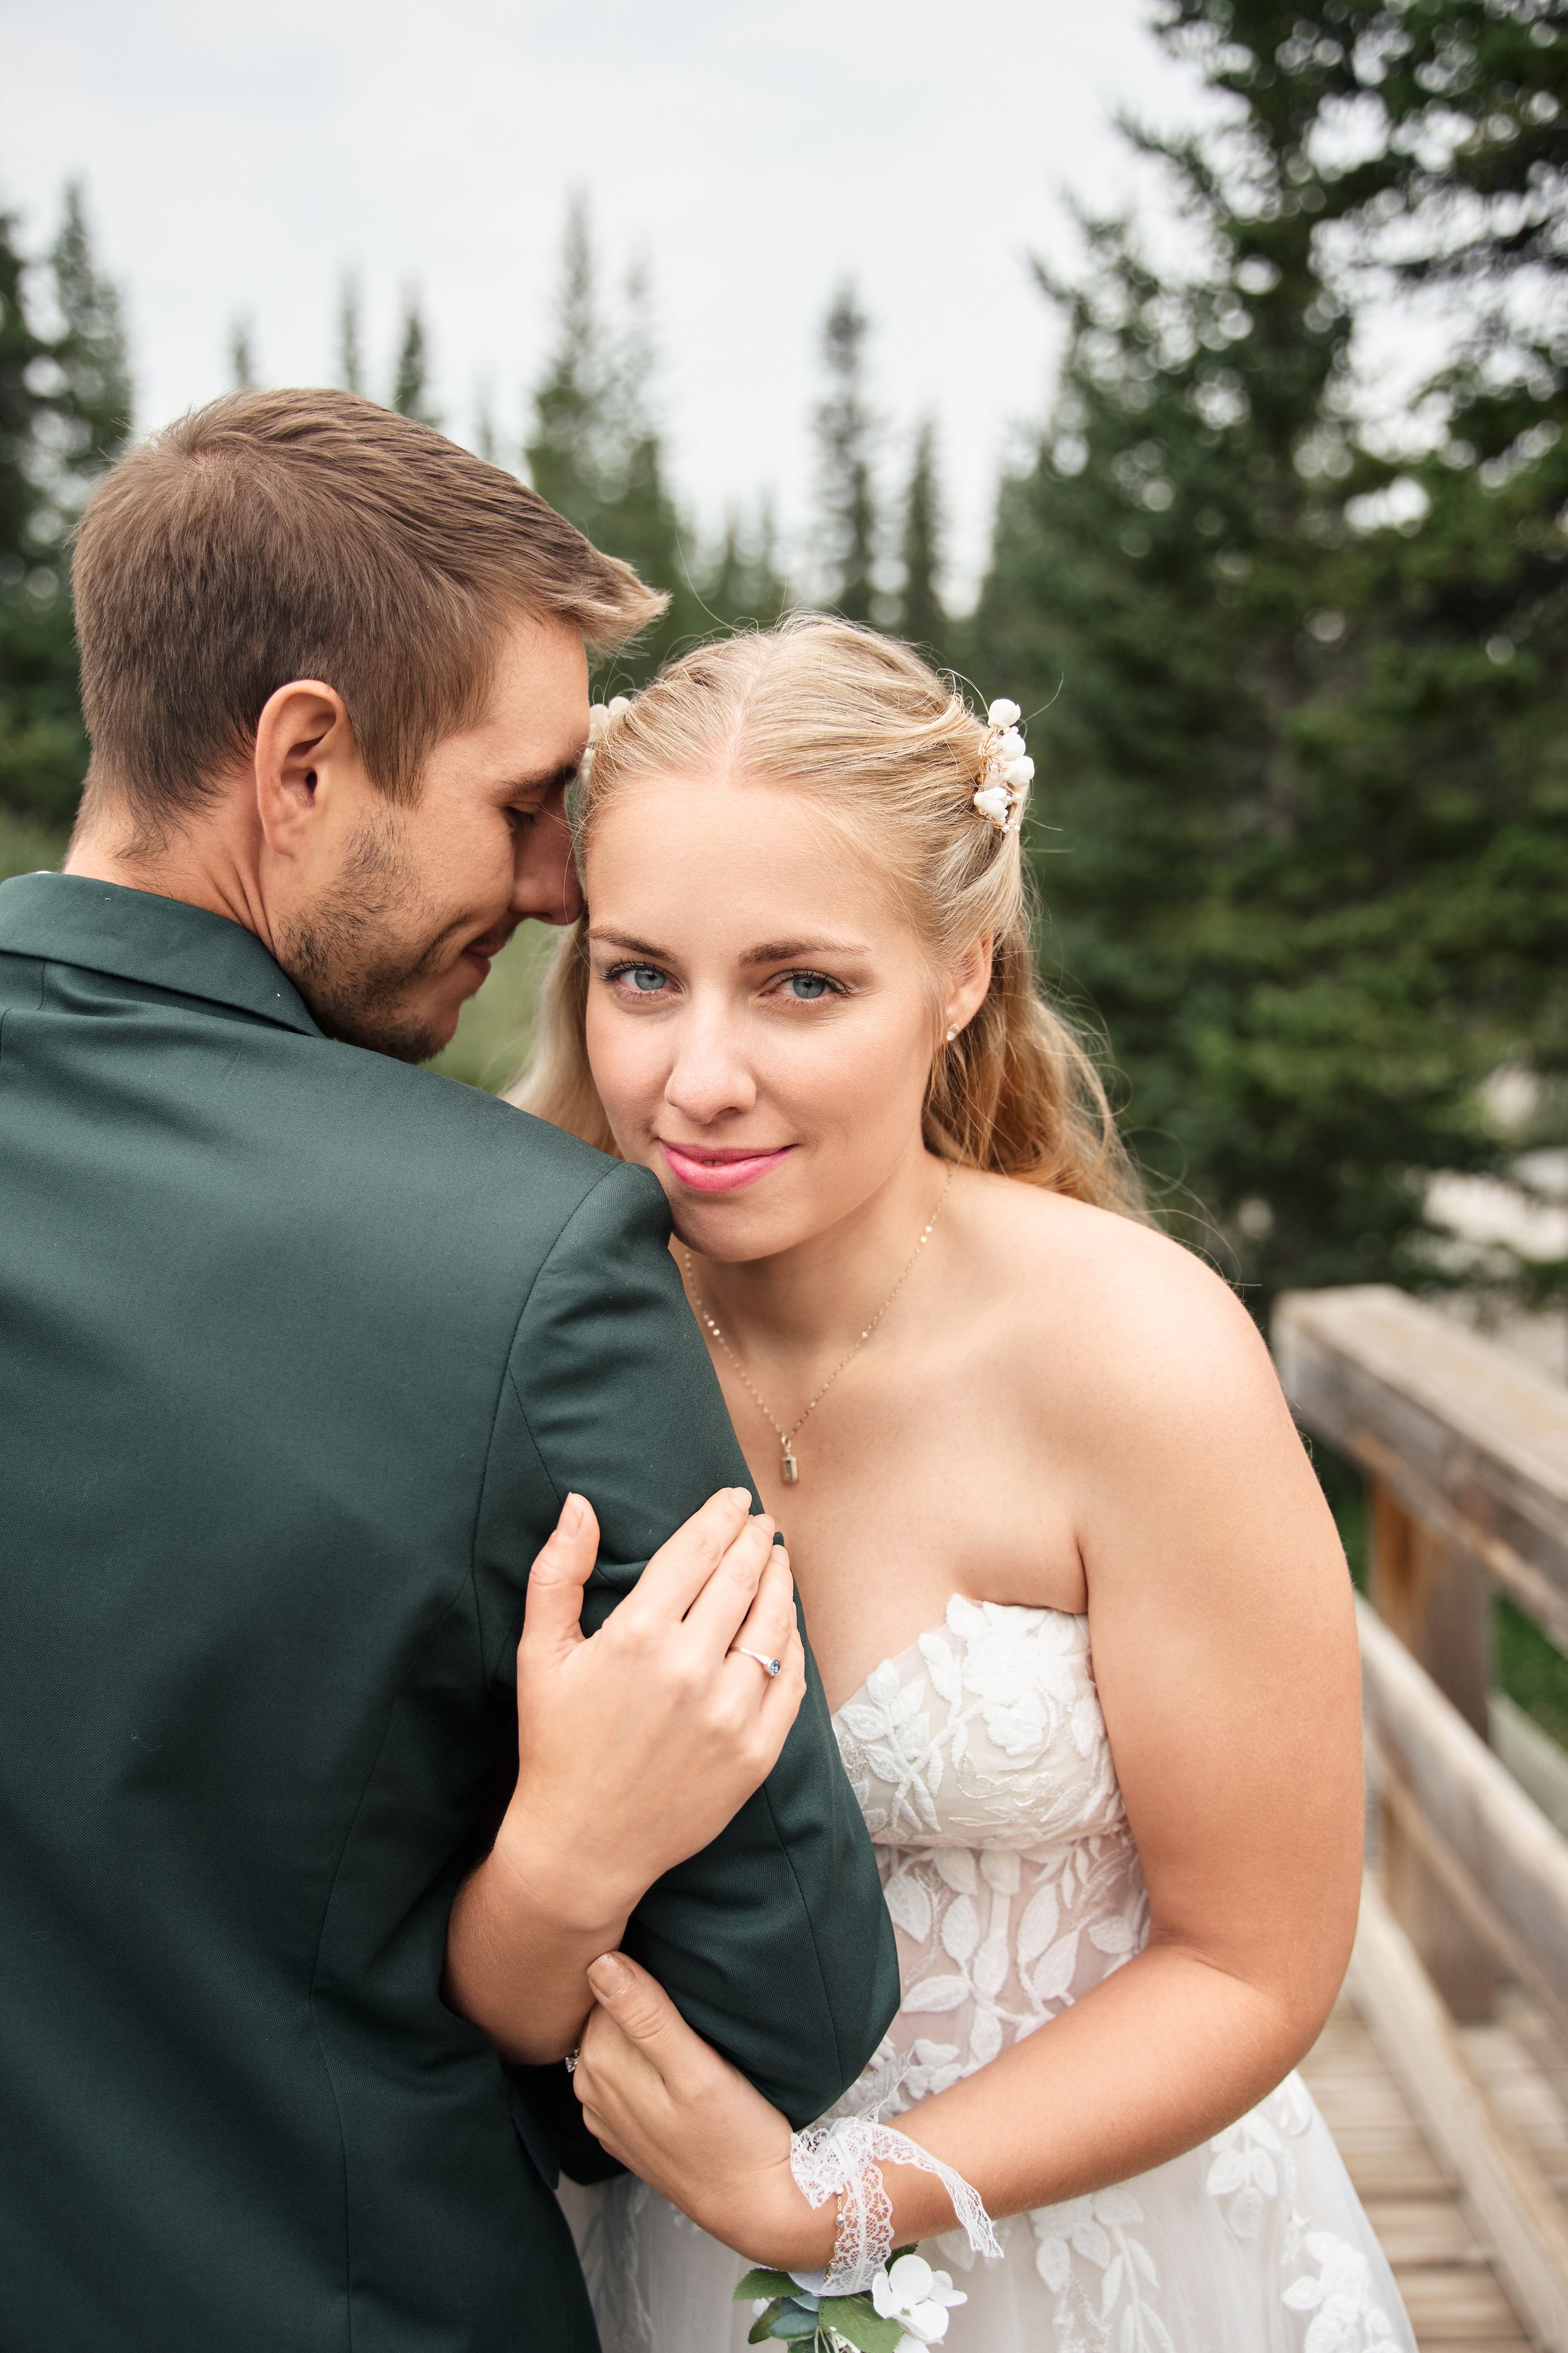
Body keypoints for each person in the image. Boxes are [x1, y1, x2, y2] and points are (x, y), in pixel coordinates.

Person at [0, 395, 897, 2353]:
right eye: (519, 802)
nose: (563, 888)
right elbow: (787, 2003)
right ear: (303, 761)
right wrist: (546, 1869)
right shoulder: (523, 1258)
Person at [511, 615, 1417, 2352]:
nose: (698, 1077)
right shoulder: (526, 1347)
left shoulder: (1140, 1356)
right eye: (642, 976)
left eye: (802, 983)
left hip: (1094, 2259)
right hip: (662, 2265)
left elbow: (1253, 1959)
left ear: (961, 974)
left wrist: (832, 2200)